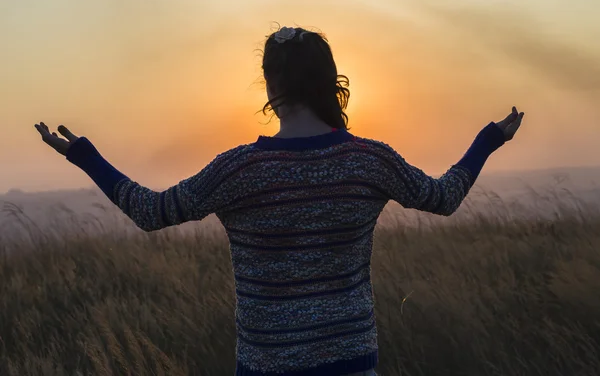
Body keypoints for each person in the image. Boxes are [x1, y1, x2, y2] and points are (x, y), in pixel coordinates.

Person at [34, 26, 524, 376]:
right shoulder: (371, 161)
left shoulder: (239, 169)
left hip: (267, 365)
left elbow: (150, 211)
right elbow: (443, 197)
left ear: (270, 85)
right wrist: (487, 140)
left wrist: (85, 156)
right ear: (331, 81)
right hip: (352, 361)